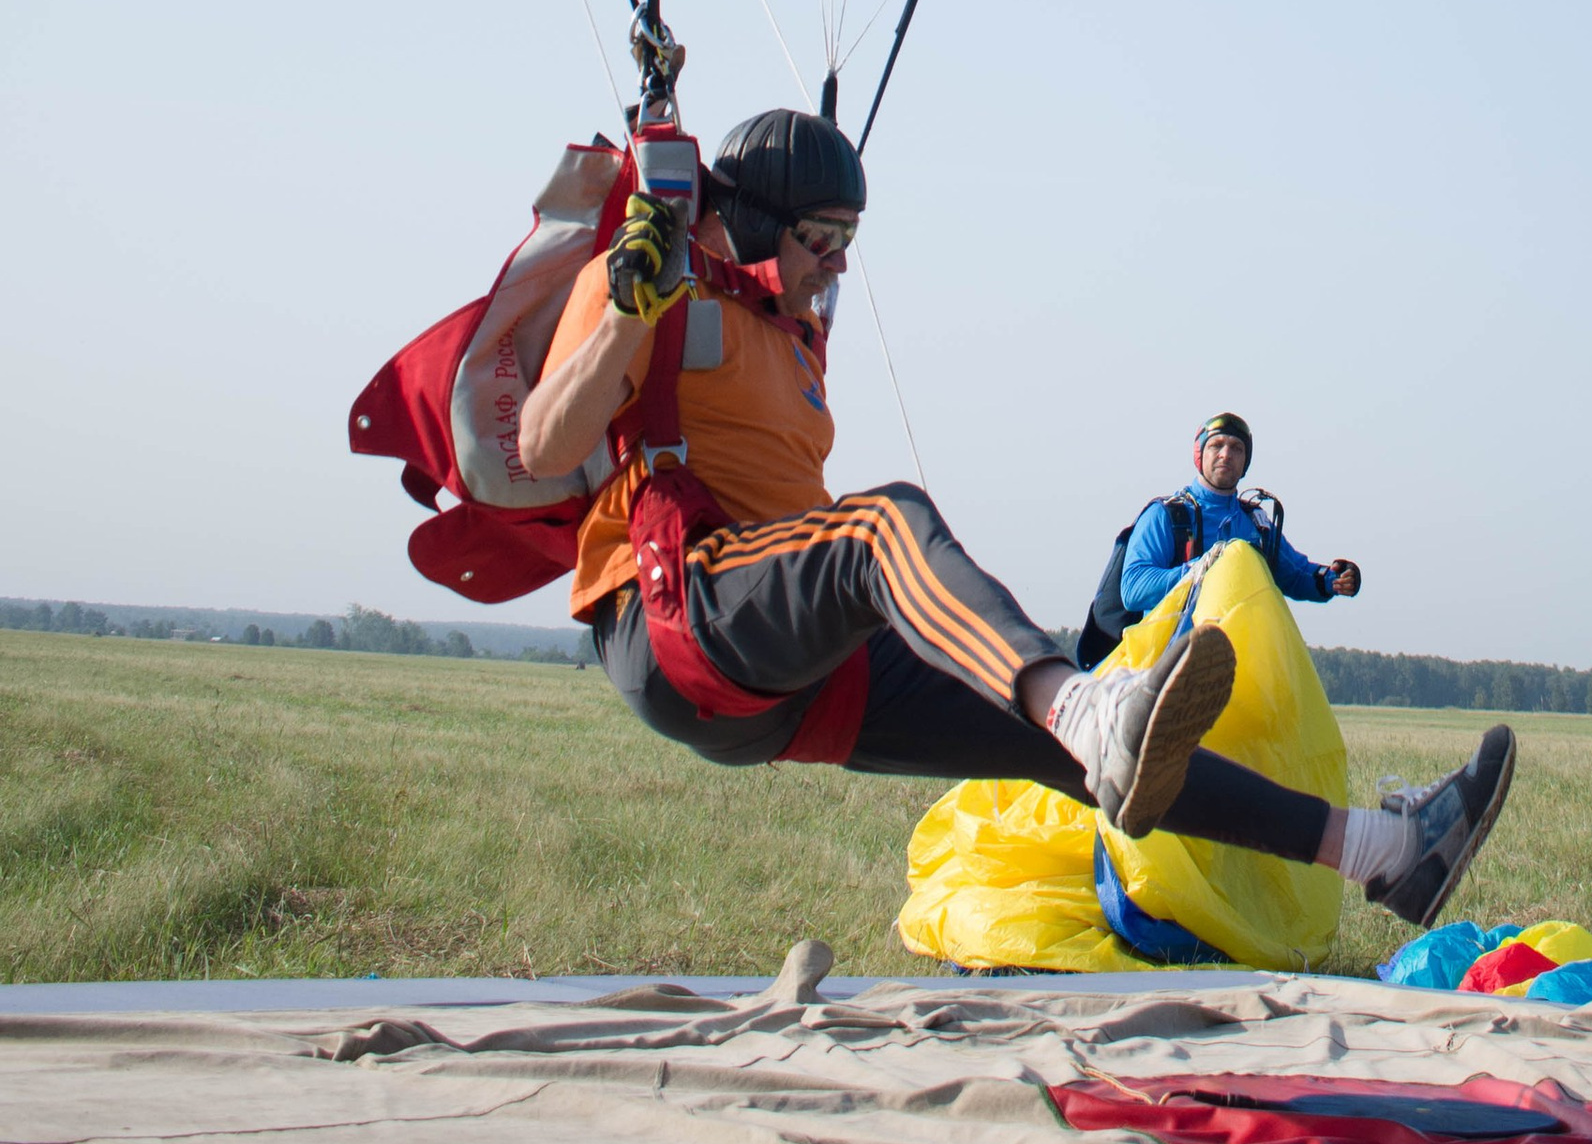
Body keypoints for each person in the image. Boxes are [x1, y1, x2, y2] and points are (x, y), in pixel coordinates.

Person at [516, 110, 1509, 931]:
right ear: (761, 219)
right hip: (676, 614)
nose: (839, 269)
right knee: (883, 528)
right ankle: (1089, 714)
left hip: (792, 671)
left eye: (850, 245)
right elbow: (543, 446)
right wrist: (625, 311)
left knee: (1063, 739)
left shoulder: (790, 330)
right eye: (824, 241)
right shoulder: (649, 285)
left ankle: (1386, 853)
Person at [1116, 413, 1361, 629]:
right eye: (1216, 445)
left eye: (1236, 448)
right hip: (1172, 657)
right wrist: (1196, 571)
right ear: (1200, 455)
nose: (1226, 455)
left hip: (1241, 655)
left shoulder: (1256, 523)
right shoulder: (1166, 515)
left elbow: (1296, 575)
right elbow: (1134, 589)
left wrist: (1334, 579)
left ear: (1245, 461)